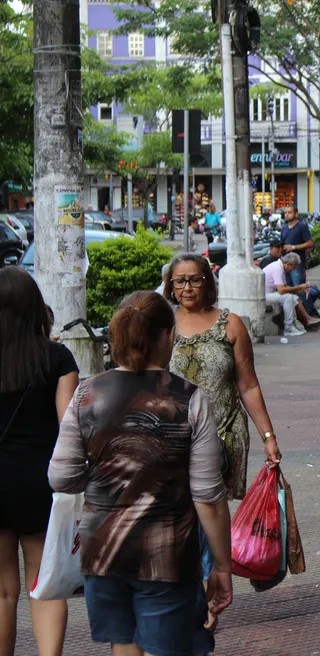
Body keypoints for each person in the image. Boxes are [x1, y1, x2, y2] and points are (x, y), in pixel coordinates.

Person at [48, 291, 233, 656]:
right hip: (167, 553)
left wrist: (103, 473)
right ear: (168, 336)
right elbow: (208, 496)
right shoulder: (189, 399)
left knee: (123, 644)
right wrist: (222, 565)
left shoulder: (87, 395)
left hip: (103, 551)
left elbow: (61, 477)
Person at [0, 268, 79, 656]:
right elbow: (69, 428)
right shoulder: (58, 358)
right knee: (43, 582)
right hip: (40, 482)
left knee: (2, 589)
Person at [167, 252, 283, 499]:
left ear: (207, 282)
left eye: (195, 280)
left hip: (224, 434)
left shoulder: (231, 324)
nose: (187, 288)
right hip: (174, 437)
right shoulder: (164, 326)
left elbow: (248, 386)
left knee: (213, 510)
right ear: (171, 285)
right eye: (180, 281)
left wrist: (268, 437)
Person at [264, 252, 320, 337]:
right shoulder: (277, 268)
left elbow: (284, 286)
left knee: (294, 298)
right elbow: (281, 290)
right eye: (294, 267)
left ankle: (305, 320)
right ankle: (288, 327)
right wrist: (299, 287)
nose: (293, 269)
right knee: (288, 298)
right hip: (264, 295)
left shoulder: (280, 267)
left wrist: (300, 289)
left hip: (268, 293)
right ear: (288, 264)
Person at [280, 206, 313, 286]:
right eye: (285, 213)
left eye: (289, 212)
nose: (287, 214)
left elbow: (310, 243)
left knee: (299, 288)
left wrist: (293, 247)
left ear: (296, 214)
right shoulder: (284, 228)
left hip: (297, 264)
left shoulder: (302, 226)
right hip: (286, 264)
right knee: (289, 288)